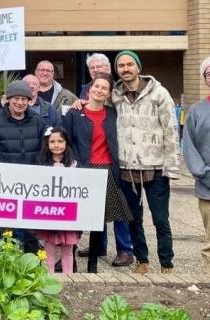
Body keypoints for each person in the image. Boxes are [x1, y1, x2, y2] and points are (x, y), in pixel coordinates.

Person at [113, 51, 180, 274]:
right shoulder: (115, 95)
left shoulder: (159, 93)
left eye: (129, 64)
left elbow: (171, 131)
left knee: (161, 220)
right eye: (121, 65)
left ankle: (166, 263)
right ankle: (142, 260)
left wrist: (172, 165)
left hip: (156, 167)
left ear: (138, 67)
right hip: (127, 168)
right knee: (133, 219)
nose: (125, 69)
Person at [63, 73, 133, 273]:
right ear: (90, 89)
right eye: (96, 86)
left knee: (100, 216)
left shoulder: (113, 113)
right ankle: (70, 259)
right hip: (83, 169)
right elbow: (65, 141)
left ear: (109, 93)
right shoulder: (74, 113)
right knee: (77, 217)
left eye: (104, 88)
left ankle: (93, 263)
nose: (99, 90)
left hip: (107, 169)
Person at [0, 80, 45, 253]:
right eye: (16, 98)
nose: (20, 103)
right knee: (3, 230)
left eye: (24, 99)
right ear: (8, 99)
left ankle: (31, 267)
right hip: (4, 184)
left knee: (31, 230)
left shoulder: (37, 121)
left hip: (30, 184)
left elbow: (42, 150)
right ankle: (0, 267)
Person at [36, 127, 79, 273]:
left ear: (66, 143)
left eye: (60, 141)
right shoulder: (42, 165)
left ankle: (69, 278)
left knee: (68, 250)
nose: (56, 145)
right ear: (47, 144)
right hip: (49, 214)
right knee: (49, 248)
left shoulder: (73, 164)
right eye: (52, 141)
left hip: (68, 215)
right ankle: (48, 278)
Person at [182, 56, 210, 275]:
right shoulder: (196, 111)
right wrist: (204, 174)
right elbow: (189, 147)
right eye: (208, 74)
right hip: (208, 187)